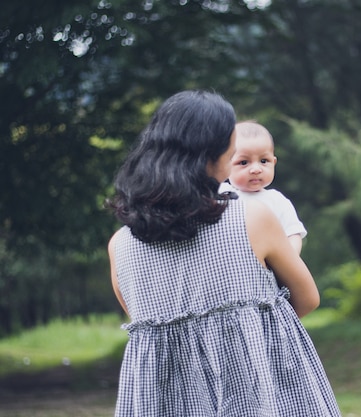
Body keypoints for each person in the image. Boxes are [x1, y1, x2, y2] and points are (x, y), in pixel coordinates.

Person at [106, 90, 341, 417]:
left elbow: (149, 329)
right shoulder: (252, 218)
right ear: (213, 156)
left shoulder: (120, 244)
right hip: (253, 397)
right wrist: (247, 331)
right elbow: (307, 298)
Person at [219, 120, 306, 254]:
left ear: (274, 162)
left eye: (264, 161)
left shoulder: (277, 200)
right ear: (226, 164)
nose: (255, 169)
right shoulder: (221, 195)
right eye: (243, 162)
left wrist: (289, 261)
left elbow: (293, 234)